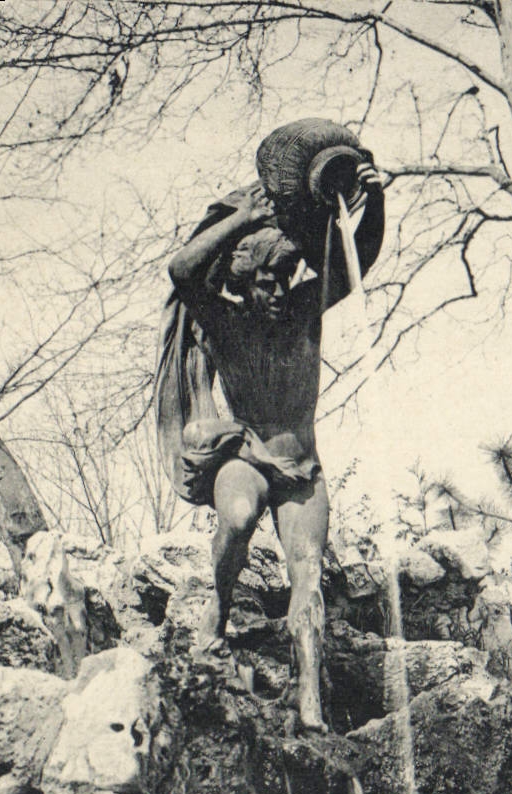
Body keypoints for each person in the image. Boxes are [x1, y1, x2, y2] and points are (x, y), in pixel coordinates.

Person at [159, 166, 383, 730]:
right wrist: (245, 218)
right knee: (236, 517)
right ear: (243, 284)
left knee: (307, 573)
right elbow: (182, 270)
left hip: (303, 470)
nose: (280, 291)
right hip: (249, 456)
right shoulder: (226, 322)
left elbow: (361, 259)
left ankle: (309, 695)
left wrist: (372, 197)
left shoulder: (307, 311)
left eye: (286, 277)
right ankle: (217, 613)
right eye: (267, 282)